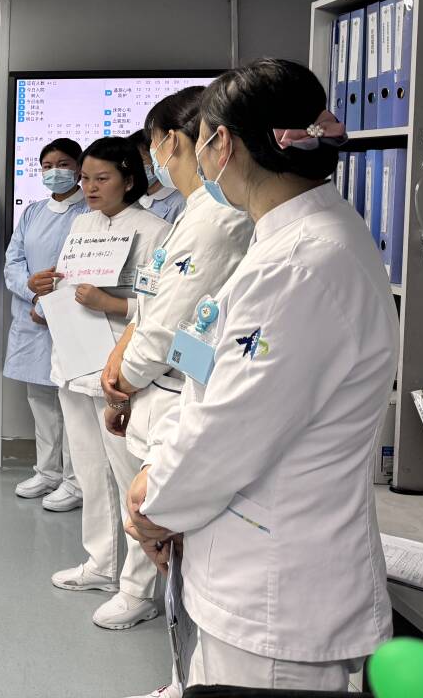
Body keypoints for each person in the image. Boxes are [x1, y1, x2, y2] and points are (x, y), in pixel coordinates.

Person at [127, 59, 397, 691]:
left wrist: (154, 502)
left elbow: (229, 429)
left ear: (222, 144)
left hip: (273, 590)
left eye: (201, 140)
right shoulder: (289, 239)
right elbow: (211, 376)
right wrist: (158, 472)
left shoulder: (301, 264)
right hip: (245, 563)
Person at [103, 91, 252, 698]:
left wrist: (123, 383)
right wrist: (121, 368)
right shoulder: (191, 213)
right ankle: (180, 679)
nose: (154, 157)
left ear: (173, 140)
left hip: (173, 395)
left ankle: (184, 683)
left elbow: (168, 326)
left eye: (153, 144)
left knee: (176, 547)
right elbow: (151, 302)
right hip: (153, 390)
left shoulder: (218, 219)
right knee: (165, 546)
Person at [47, 136, 169, 631]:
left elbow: (163, 307)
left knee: (127, 478)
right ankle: (100, 564)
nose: (90, 187)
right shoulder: (81, 225)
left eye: (102, 178)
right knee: (88, 471)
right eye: (85, 179)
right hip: (74, 359)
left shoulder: (155, 231)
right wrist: (48, 287)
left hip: (121, 367)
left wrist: (111, 304)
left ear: (129, 178)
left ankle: (139, 589)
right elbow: (68, 284)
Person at [3, 137, 87, 510]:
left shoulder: (89, 213)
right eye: (48, 166)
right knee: (40, 398)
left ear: (79, 168)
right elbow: (13, 261)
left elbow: (88, 269)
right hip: (32, 317)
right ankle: (48, 472)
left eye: (64, 164)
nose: (55, 172)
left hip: (71, 319)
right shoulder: (33, 212)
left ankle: (75, 480)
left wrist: (52, 302)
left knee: (73, 402)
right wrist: (31, 290)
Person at [131, 129, 187, 224]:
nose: (133, 169)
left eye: (140, 161)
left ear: (156, 159)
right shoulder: (134, 201)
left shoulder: (182, 202)